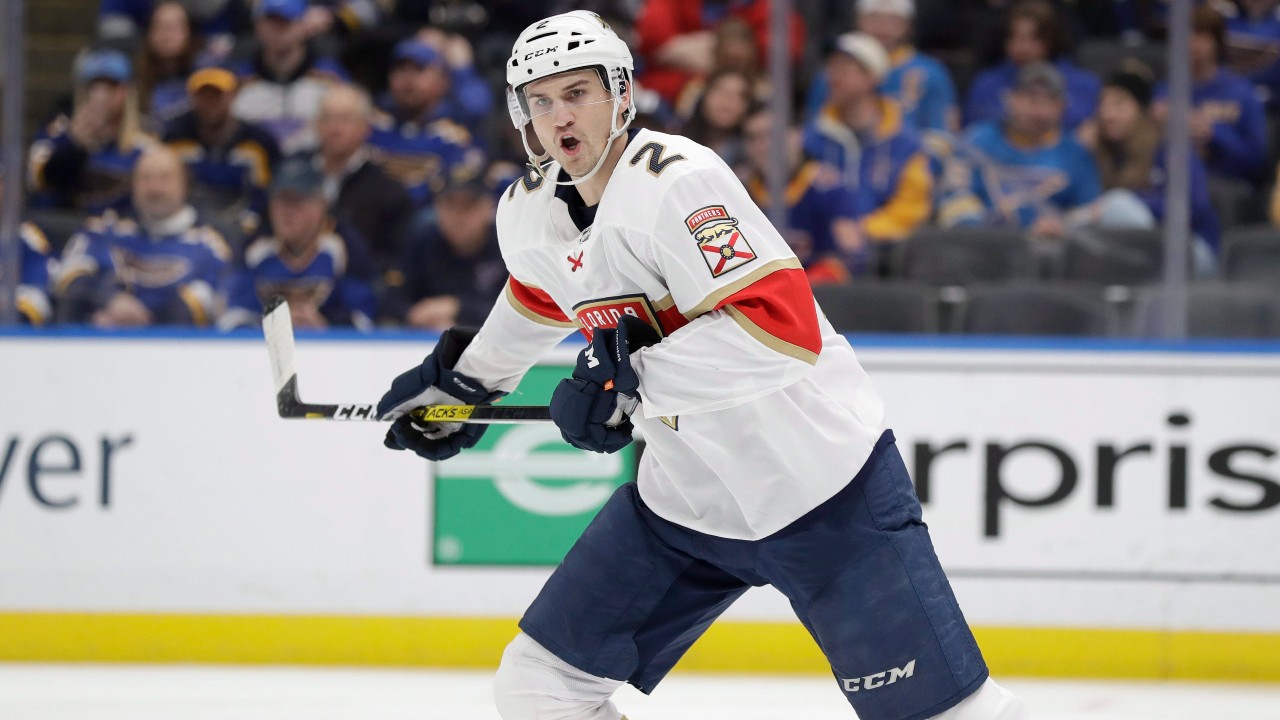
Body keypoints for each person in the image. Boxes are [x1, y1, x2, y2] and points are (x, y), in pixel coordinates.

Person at [374, 11, 1027, 720]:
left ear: (622, 95)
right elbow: (540, 295)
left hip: (822, 490)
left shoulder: (677, 181)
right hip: (685, 504)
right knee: (538, 687)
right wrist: (468, 382)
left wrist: (628, 385)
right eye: (540, 100)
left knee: (950, 716)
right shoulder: (528, 211)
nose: (559, 116)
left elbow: (780, 331)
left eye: (577, 93)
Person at [54, 145, 230, 327]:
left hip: (174, 348)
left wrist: (143, 318)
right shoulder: (101, 231)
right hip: (96, 343)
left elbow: (212, 300)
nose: (154, 188)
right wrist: (109, 300)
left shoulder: (209, 244)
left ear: (185, 184)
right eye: (145, 178)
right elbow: (68, 279)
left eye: (165, 178)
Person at [803, 34, 934, 255]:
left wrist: (864, 230)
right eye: (831, 69)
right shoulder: (812, 138)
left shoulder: (905, 142)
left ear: (872, 78)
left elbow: (913, 207)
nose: (832, 78)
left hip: (885, 257)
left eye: (844, 71)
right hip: (820, 254)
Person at [1088, 64, 1220, 269]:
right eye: (1103, 104)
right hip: (1138, 255)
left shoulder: (1171, 150)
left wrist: (1138, 202)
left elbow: (1192, 206)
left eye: (1119, 104)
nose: (1108, 114)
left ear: (1142, 109)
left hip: (1191, 250)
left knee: (1117, 204)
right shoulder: (1105, 154)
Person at [219, 158, 376, 331]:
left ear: (320, 205)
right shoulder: (253, 249)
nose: (287, 211)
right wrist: (273, 329)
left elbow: (364, 318)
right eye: (280, 200)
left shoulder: (345, 248)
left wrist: (325, 327)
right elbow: (232, 316)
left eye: (297, 201)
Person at [954, 61, 1101, 238]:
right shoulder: (978, 141)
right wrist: (981, 234)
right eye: (1032, 100)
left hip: (1052, 254)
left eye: (1051, 102)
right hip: (983, 250)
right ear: (1010, 99)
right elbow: (955, 198)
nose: (1041, 111)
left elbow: (1090, 211)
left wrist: (1063, 226)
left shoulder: (1076, 154)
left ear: (1062, 107)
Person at [741, 107, 867, 283]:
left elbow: (853, 257)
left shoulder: (828, 188)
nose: (764, 146)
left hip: (817, 297)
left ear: (796, 136)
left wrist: (807, 284)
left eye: (772, 134)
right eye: (754, 138)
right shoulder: (738, 189)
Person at [1155, 4, 1268, 187]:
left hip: (1228, 184)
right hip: (1175, 186)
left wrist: (1213, 132)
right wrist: (1157, 128)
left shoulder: (1243, 92)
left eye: (1202, 35)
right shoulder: (1165, 93)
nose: (1193, 44)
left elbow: (1257, 161)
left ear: (1217, 42)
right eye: (1187, 36)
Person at [27, 48, 152, 213]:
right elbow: (37, 183)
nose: (101, 96)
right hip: (60, 227)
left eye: (111, 87)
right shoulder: (54, 133)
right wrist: (74, 143)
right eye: (93, 87)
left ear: (126, 92)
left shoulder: (144, 145)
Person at [367, 38, 488, 206]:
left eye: (419, 69)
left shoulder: (454, 136)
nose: (408, 79)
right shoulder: (371, 126)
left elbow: (479, 106)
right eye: (400, 69)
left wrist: (462, 70)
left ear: (442, 80)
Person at [381, 175, 507, 329]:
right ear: (437, 207)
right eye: (450, 204)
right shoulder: (423, 242)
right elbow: (391, 298)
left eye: (469, 206)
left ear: (488, 207)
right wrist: (414, 314)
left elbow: (521, 312)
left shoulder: (508, 248)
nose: (458, 216)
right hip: (425, 340)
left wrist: (458, 308)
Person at [312, 83, 413, 270]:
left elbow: (391, 259)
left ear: (365, 127)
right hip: (291, 282)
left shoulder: (387, 188)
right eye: (327, 118)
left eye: (345, 119)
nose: (335, 129)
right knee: (268, 297)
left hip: (355, 286)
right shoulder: (293, 176)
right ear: (316, 124)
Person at [164, 66, 281, 226]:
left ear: (233, 96)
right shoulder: (173, 139)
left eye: (217, 95)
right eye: (203, 96)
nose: (210, 103)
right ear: (191, 98)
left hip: (246, 227)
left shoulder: (260, 143)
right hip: (189, 226)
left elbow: (266, 194)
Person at [963, 0, 1100, 134]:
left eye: (1033, 38)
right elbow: (971, 132)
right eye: (1014, 37)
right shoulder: (986, 83)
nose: (1021, 48)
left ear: (1051, 39)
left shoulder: (1085, 85)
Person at [231, 0, 349, 154]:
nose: (278, 30)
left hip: (315, 165)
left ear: (303, 26)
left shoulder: (330, 77)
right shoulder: (240, 81)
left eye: (286, 22)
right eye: (271, 22)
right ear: (258, 27)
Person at [134, 1, 203, 126]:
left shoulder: (203, 74)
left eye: (173, 27)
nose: (166, 35)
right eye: (159, 27)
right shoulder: (135, 79)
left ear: (189, 32)